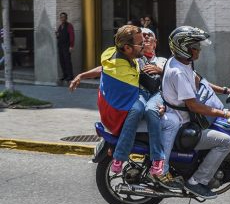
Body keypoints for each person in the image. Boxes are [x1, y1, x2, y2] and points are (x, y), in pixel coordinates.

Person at [69, 27, 182, 189]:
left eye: (149, 37)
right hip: (139, 100)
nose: (145, 41)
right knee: (159, 118)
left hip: (156, 99)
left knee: (161, 115)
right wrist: (82, 75)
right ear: (129, 48)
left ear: (156, 43)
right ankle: (159, 164)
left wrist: (161, 72)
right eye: (142, 40)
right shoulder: (136, 60)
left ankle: (162, 161)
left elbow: (176, 81)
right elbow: (108, 69)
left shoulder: (164, 62)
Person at [160, 26, 230, 199]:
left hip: (186, 119)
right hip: (183, 124)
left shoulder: (182, 62)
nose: (199, 50)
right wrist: (226, 114)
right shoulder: (178, 73)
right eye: (195, 47)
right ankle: (196, 182)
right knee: (225, 142)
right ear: (184, 47)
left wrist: (226, 90)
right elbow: (194, 106)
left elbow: (199, 80)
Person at [56, 12, 75, 81]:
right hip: (60, 46)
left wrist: (71, 46)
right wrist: (57, 35)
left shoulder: (69, 25)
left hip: (67, 46)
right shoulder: (60, 26)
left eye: (63, 17)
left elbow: (72, 36)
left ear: (66, 18)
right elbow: (58, 36)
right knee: (62, 61)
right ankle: (65, 75)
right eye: (61, 17)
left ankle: (70, 76)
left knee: (67, 61)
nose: (62, 18)